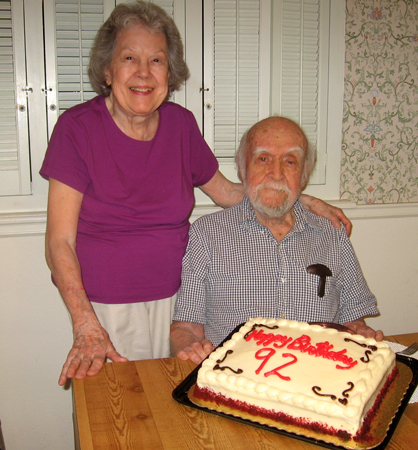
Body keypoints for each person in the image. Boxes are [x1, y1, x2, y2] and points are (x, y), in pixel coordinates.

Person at [40, 1, 351, 386]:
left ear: (169, 74)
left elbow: (231, 194)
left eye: (156, 60)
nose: (143, 72)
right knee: (122, 415)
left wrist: (297, 198)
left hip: (178, 301)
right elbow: (59, 242)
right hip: (106, 306)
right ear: (107, 69)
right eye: (129, 57)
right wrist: (85, 321)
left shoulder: (180, 125)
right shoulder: (77, 129)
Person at [171, 116, 383, 365]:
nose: (276, 173)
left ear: (303, 176)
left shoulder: (332, 233)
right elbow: (185, 328)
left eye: (290, 161)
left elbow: (353, 320)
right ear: (242, 169)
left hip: (317, 376)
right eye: (263, 159)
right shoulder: (206, 234)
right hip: (238, 378)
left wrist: (361, 333)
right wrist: (188, 346)